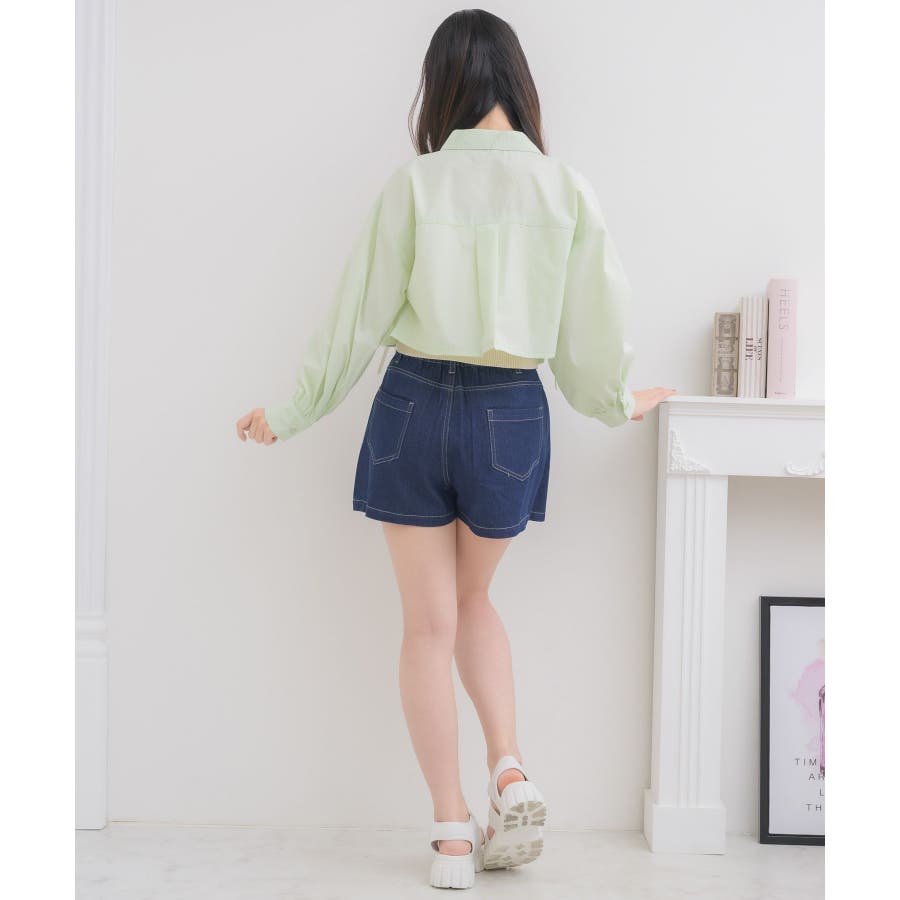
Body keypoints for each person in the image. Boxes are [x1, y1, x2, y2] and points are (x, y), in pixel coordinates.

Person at [236, 8, 677, 890]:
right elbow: (592, 329)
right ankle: (509, 767)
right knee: (475, 601)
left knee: (427, 626)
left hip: (412, 407)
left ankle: (449, 837)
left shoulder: (417, 185)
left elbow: (355, 319)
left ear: (439, 87)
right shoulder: (563, 188)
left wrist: (289, 412)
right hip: (511, 414)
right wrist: (615, 402)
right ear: (518, 82)